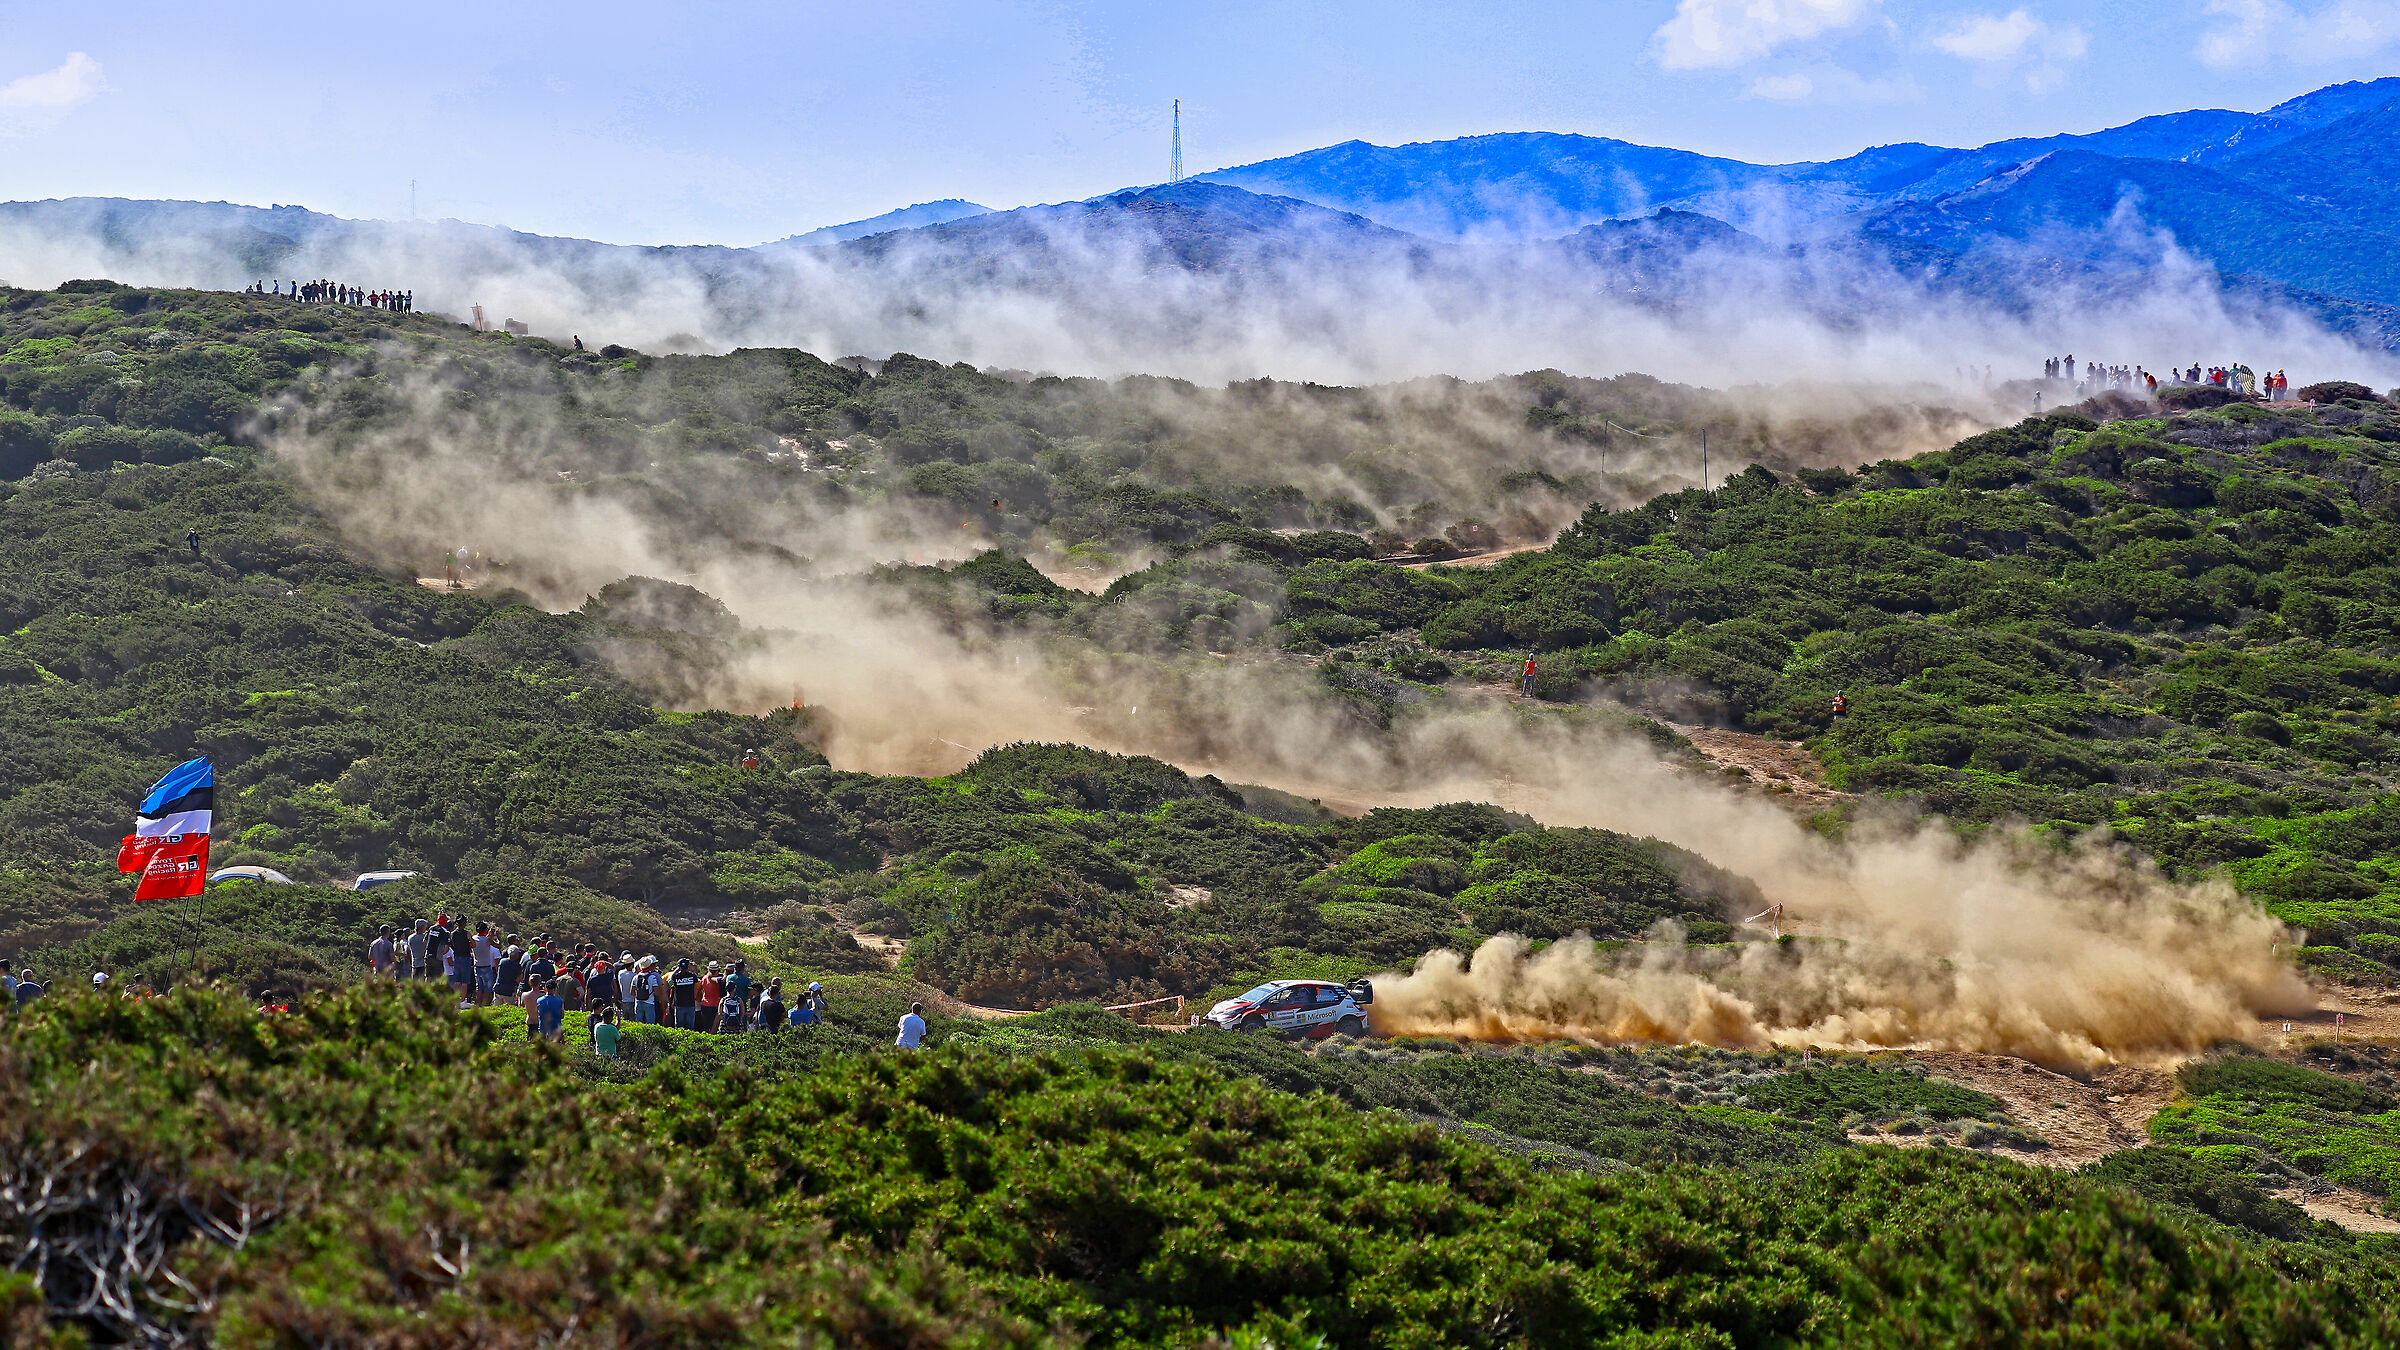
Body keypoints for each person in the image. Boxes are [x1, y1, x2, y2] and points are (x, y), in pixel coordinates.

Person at [668, 959, 700, 1029]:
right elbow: (697, 980)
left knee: (679, 1027)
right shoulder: (692, 976)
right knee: (690, 1027)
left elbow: (669, 981)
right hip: (690, 1004)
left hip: (679, 1004)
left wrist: (676, 969)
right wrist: (693, 969)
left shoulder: (675, 977)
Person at [697, 961, 725, 1033]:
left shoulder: (704, 978)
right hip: (716, 1005)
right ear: (717, 970)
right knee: (714, 1027)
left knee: (706, 1025)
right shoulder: (718, 981)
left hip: (705, 1004)